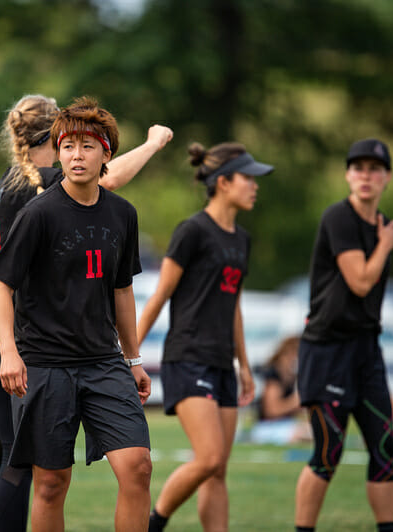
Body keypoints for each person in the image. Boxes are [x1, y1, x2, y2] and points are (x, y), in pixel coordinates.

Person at [0, 94, 173, 532]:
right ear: (56, 150)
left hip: (103, 362)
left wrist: (132, 359)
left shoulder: (123, 215)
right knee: (50, 482)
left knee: (138, 467)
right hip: (45, 364)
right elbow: (1, 288)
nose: (77, 155)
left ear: (105, 153)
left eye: (87, 146)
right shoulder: (38, 212)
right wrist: (10, 354)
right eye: (68, 146)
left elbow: (123, 290)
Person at [137, 141, 273, 531]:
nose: (254, 186)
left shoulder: (241, 240)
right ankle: (155, 521)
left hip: (222, 363)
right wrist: (129, 357)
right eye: (248, 178)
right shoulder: (192, 231)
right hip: (187, 357)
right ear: (223, 182)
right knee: (210, 457)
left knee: (218, 471)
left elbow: (234, 308)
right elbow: (159, 297)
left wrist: (244, 366)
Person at [294, 138, 393, 532]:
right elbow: (359, 281)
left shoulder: (381, 224)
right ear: (347, 175)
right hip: (328, 351)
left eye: (375, 169)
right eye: (358, 168)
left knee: (385, 448)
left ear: (387, 177)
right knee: (328, 451)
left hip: (366, 351)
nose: (366, 175)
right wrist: (386, 244)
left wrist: (384, 240)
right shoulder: (338, 218)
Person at [251, 335, 310, 445]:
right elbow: (271, 411)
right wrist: (295, 402)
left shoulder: (292, 377)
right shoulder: (274, 376)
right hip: (268, 427)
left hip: (285, 424)